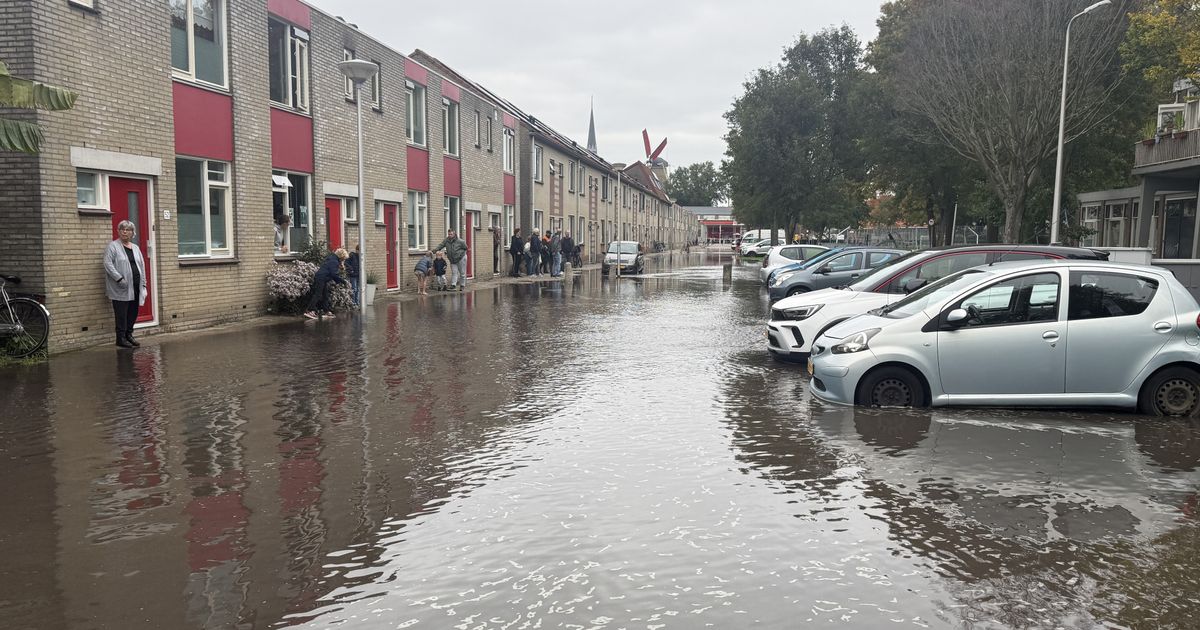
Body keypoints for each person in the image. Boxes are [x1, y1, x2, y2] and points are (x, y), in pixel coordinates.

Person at [103, 220, 148, 348]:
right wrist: (119, 279)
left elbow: (142, 266)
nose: (124, 231)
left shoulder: (136, 248)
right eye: (122, 229)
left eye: (128, 230)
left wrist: (143, 284)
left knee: (132, 312)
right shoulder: (113, 246)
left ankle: (129, 334)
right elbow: (108, 264)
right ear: (118, 231)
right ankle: (120, 338)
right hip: (120, 287)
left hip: (135, 286)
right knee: (121, 313)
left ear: (132, 233)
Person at [303, 247, 348, 320]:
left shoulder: (332, 259)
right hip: (321, 278)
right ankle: (309, 310)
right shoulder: (334, 261)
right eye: (344, 259)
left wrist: (340, 266)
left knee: (325, 295)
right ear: (341, 257)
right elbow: (333, 274)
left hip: (322, 278)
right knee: (318, 294)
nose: (344, 260)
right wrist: (342, 281)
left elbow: (331, 271)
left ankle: (326, 310)